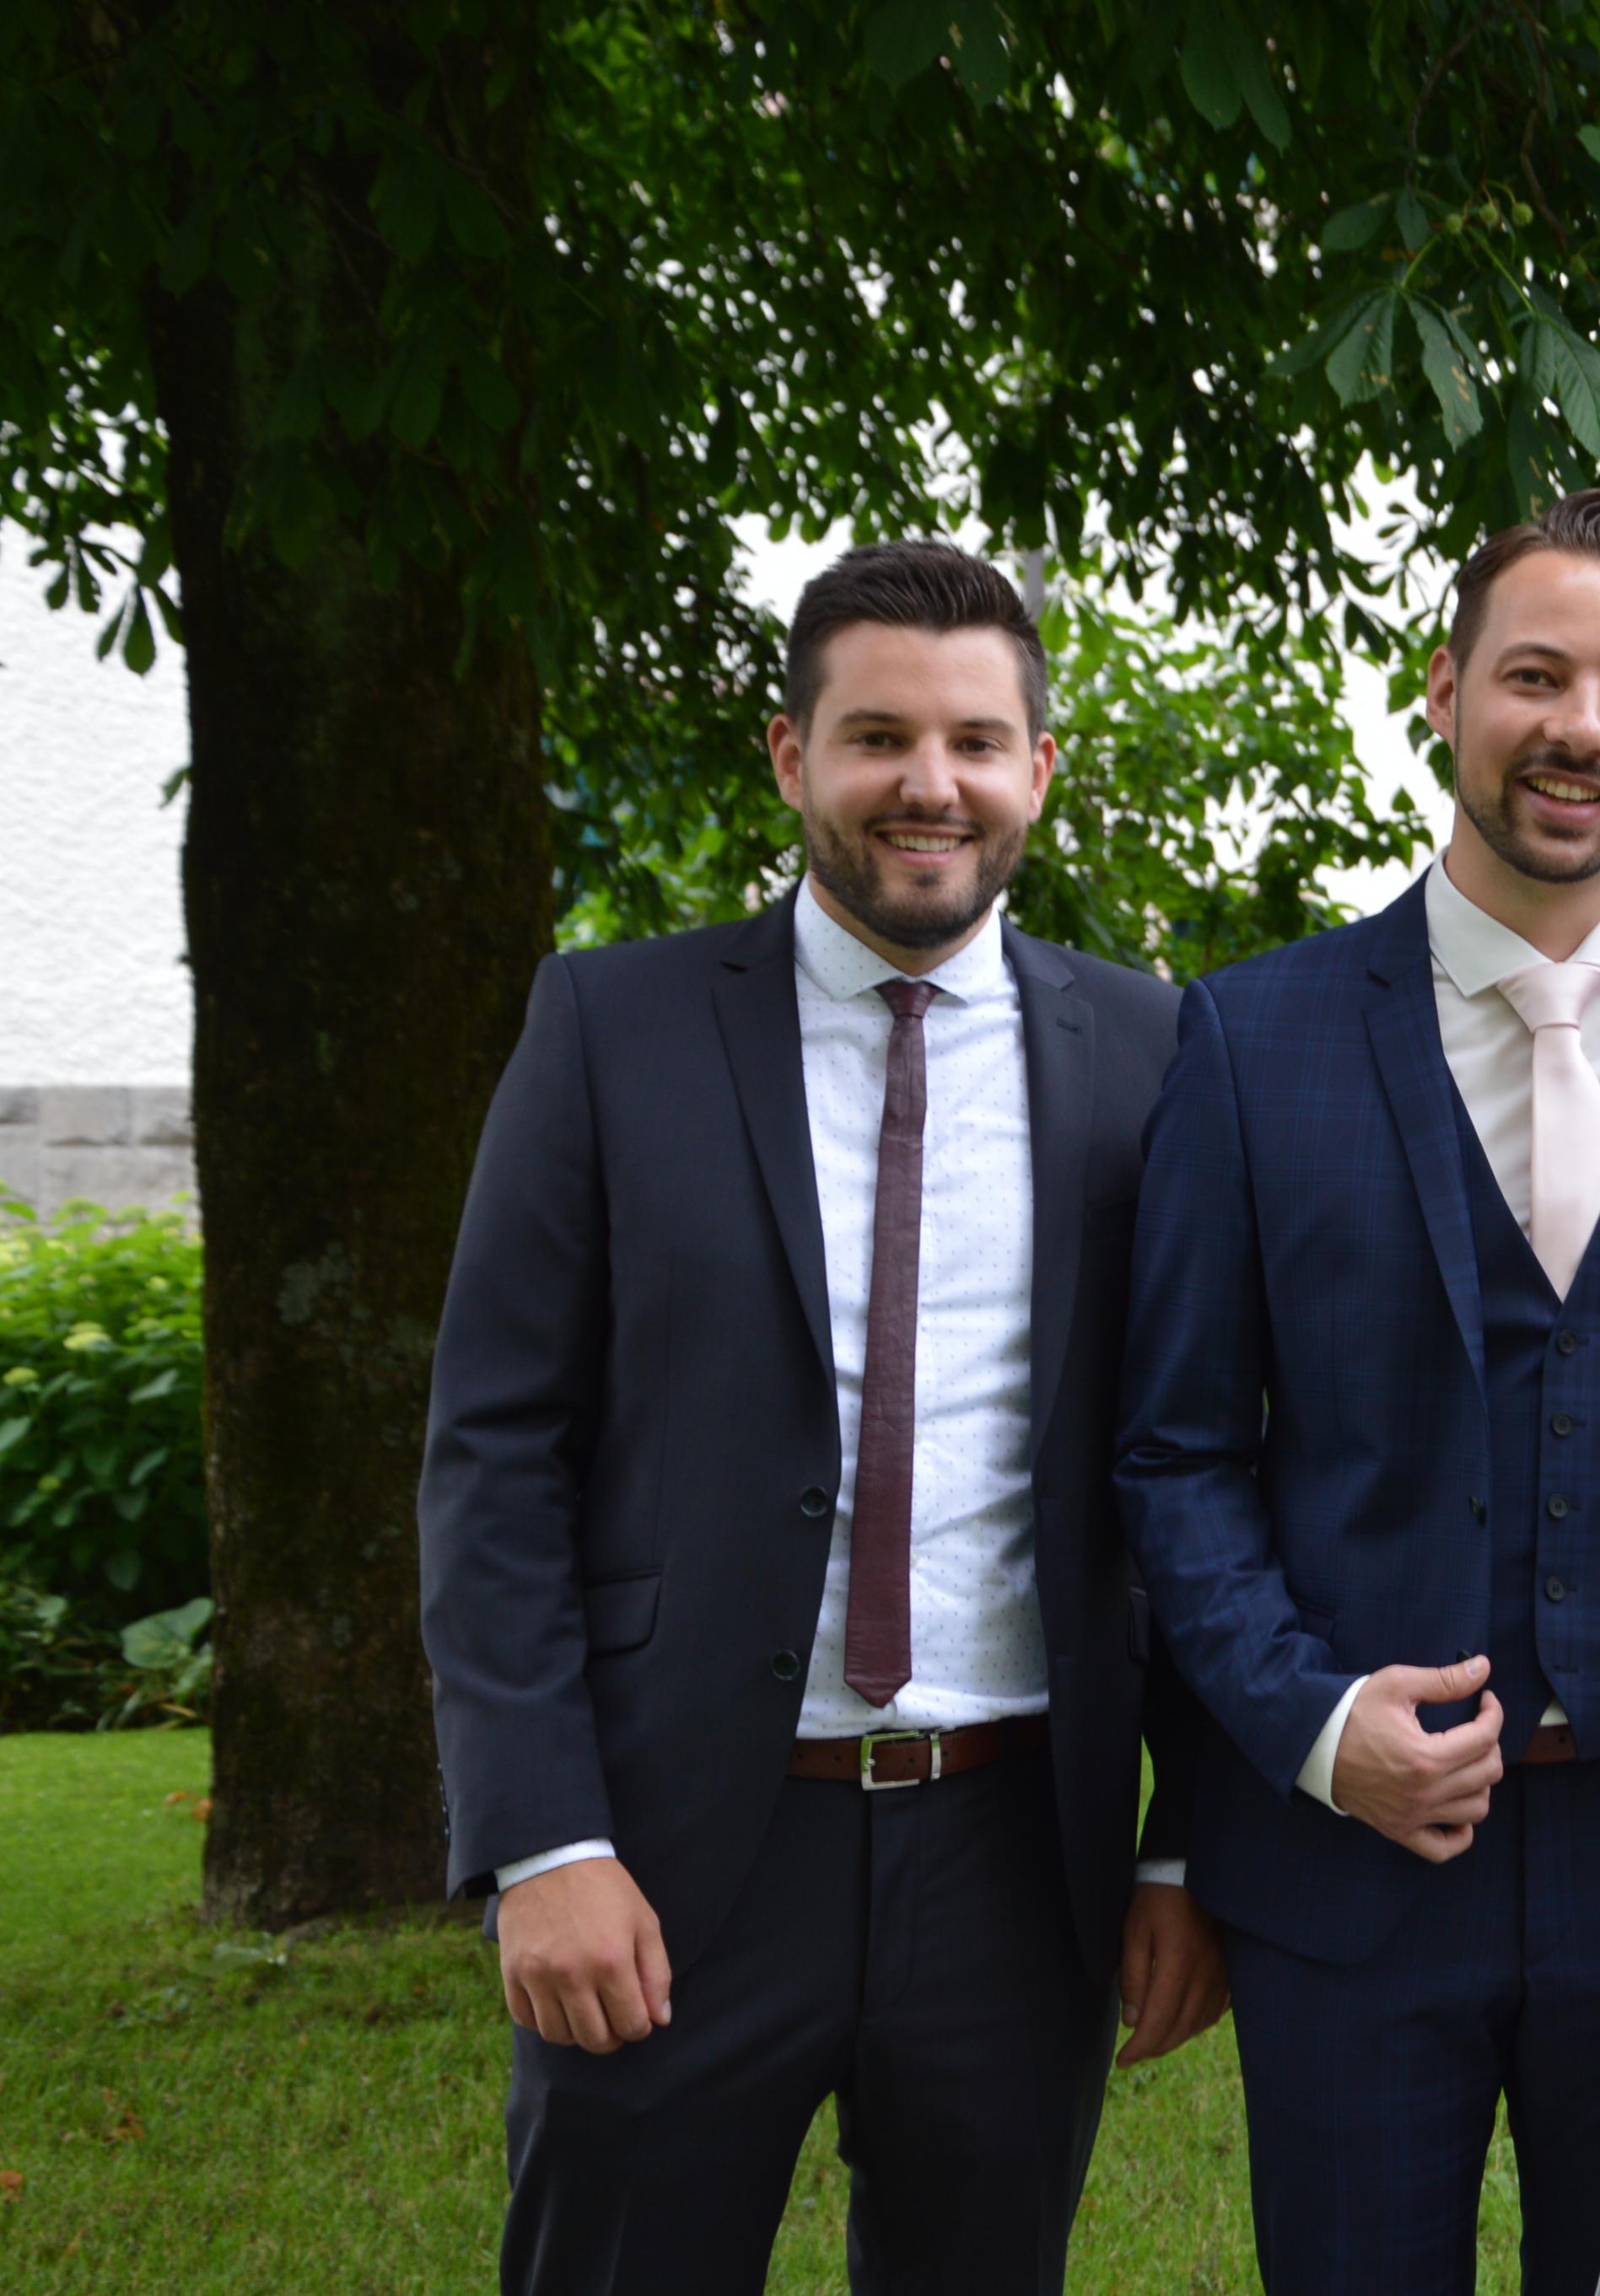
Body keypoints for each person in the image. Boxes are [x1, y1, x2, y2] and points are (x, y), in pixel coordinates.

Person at [418, 540, 1224, 2295]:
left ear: (1037, 770)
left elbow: (1201, 1461)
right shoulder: (608, 1028)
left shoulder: (1160, 1054)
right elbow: (494, 1455)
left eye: (974, 741)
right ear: (792, 757)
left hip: (1019, 1850)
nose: (929, 783)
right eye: (876, 737)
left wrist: (1180, 1844)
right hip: (670, 1847)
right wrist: (543, 1840)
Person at [1118, 488, 1600, 2296]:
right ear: (1444, 691)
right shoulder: (1249, 1034)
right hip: (1354, 1864)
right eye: (1535, 677)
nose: (1580, 729)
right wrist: (1309, 1725)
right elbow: (1179, 1452)